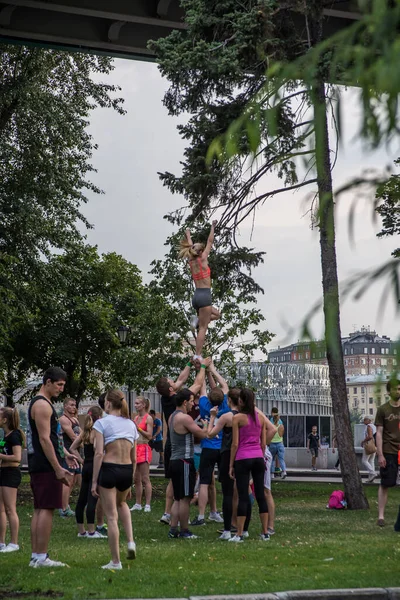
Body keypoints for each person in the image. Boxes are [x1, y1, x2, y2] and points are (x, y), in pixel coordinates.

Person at [27, 366, 78, 568]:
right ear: (47, 382)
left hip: (43, 463)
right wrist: (57, 467)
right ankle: (40, 557)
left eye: (63, 385)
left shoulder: (45, 403)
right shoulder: (42, 405)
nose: (61, 389)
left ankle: (36, 556)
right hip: (44, 465)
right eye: (59, 384)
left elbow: (53, 439)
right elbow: (44, 439)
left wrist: (67, 454)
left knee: (41, 508)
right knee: (46, 509)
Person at [156, 357, 210, 525]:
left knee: (174, 482)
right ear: (171, 388)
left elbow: (181, 378)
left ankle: (167, 513)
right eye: (171, 381)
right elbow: (198, 383)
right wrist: (202, 366)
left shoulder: (167, 398)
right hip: (178, 448)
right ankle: (179, 521)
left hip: (171, 444)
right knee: (182, 492)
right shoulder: (176, 401)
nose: (175, 380)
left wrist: (188, 362)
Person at [92, 389, 138, 570]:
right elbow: (134, 458)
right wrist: (132, 479)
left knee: (111, 517)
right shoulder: (131, 425)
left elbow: (98, 453)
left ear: (108, 404)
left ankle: (116, 561)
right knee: (122, 504)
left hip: (110, 469)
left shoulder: (101, 423)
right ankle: (131, 542)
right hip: (127, 470)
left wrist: (94, 481)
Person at [229, 388, 276, 543]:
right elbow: (263, 443)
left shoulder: (238, 419)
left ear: (241, 401)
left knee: (243, 496)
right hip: (258, 458)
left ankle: (240, 534)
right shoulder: (260, 419)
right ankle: (265, 532)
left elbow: (235, 444)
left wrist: (231, 464)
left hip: (242, 458)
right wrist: (261, 458)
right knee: (261, 495)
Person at [191, 362, 229, 526]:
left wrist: (203, 369)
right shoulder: (226, 405)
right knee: (225, 482)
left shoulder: (204, 405)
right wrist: (212, 369)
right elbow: (224, 385)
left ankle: (201, 516)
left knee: (205, 483)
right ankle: (223, 513)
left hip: (207, 447)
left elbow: (202, 388)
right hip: (222, 448)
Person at [168, 388, 209, 539]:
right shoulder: (185, 418)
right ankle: (184, 531)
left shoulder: (172, 416)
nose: (193, 404)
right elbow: (203, 434)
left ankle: (173, 530)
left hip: (175, 460)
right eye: (191, 401)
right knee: (185, 498)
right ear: (185, 402)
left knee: (178, 498)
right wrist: (206, 423)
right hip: (184, 461)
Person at [179, 221, 220, 358]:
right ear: (201, 251)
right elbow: (210, 241)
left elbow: (191, 246)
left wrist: (188, 234)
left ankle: (197, 319)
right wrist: (212, 227)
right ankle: (197, 355)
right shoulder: (203, 258)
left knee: (217, 315)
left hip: (196, 296)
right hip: (205, 296)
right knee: (203, 328)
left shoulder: (191, 260)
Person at [206, 387, 241, 539]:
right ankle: (242, 528)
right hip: (243, 454)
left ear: (229, 401)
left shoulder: (226, 416)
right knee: (242, 493)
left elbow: (210, 433)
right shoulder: (247, 416)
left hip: (227, 455)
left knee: (227, 493)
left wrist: (212, 417)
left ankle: (227, 529)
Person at [69, 406, 105, 538]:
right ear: (100, 417)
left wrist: (81, 460)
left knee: (82, 498)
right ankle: (91, 531)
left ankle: (81, 530)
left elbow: (72, 448)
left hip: (86, 466)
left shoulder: (85, 432)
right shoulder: (98, 432)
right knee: (93, 497)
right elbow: (98, 450)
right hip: (96, 466)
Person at [375, 379, 400, 528]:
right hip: (389, 451)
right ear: (389, 391)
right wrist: (380, 454)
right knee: (386, 483)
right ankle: (381, 516)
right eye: (396, 389)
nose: (398, 392)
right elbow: (379, 433)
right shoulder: (383, 410)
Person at [0, 407, 24, 552]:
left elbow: (17, 458)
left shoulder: (15, 436)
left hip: (11, 473)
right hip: (3, 472)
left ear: (5, 420)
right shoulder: (5, 435)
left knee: (10, 509)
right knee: (1, 509)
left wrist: (1, 457)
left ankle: (14, 543)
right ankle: (1, 542)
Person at [59, 397, 82, 517]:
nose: (74, 407)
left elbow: (82, 434)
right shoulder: (63, 419)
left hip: (76, 451)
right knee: (68, 480)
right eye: (71, 405)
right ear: (65, 406)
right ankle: (63, 508)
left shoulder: (75, 419)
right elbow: (73, 437)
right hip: (68, 453)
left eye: (75, 405)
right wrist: (82, 442)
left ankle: (66, 505)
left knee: (74, 480)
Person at [131, 397, 153, 512]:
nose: (135, 405)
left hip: (144, 447)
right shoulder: (135, 418)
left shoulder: (148, 418)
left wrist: (138, 428)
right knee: (136, 478)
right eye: (135, 403)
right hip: (136, 448)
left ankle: (148, 504)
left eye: (137, 403)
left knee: (145, 478)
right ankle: (138, 503)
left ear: (144, 405)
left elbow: (149, 436)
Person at [269, 408, 287, 479]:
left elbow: (269, 432)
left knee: (272, 459)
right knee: (281, 459)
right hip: (280, 443)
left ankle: (272, 474)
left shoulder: (271, 422)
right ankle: (284, 471)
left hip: (273, 444)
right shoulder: (281, 424)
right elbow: (281, 434)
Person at [263, 445, 276, 536]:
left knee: (266, 490)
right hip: (248, 453)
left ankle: (270, 526)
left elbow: (272, 430)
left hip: (262, 456)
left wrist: (261, 446)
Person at [361, 416, 377, 483]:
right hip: (374, 445)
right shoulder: (374, 426)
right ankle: (371, 478)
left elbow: (370, 436)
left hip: (369, 445)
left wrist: (363, 441)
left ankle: (373, 473)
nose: (364, 421)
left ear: (369, 420)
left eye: (365, 420)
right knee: (371, 461)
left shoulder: (369, 426)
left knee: (364, 460)